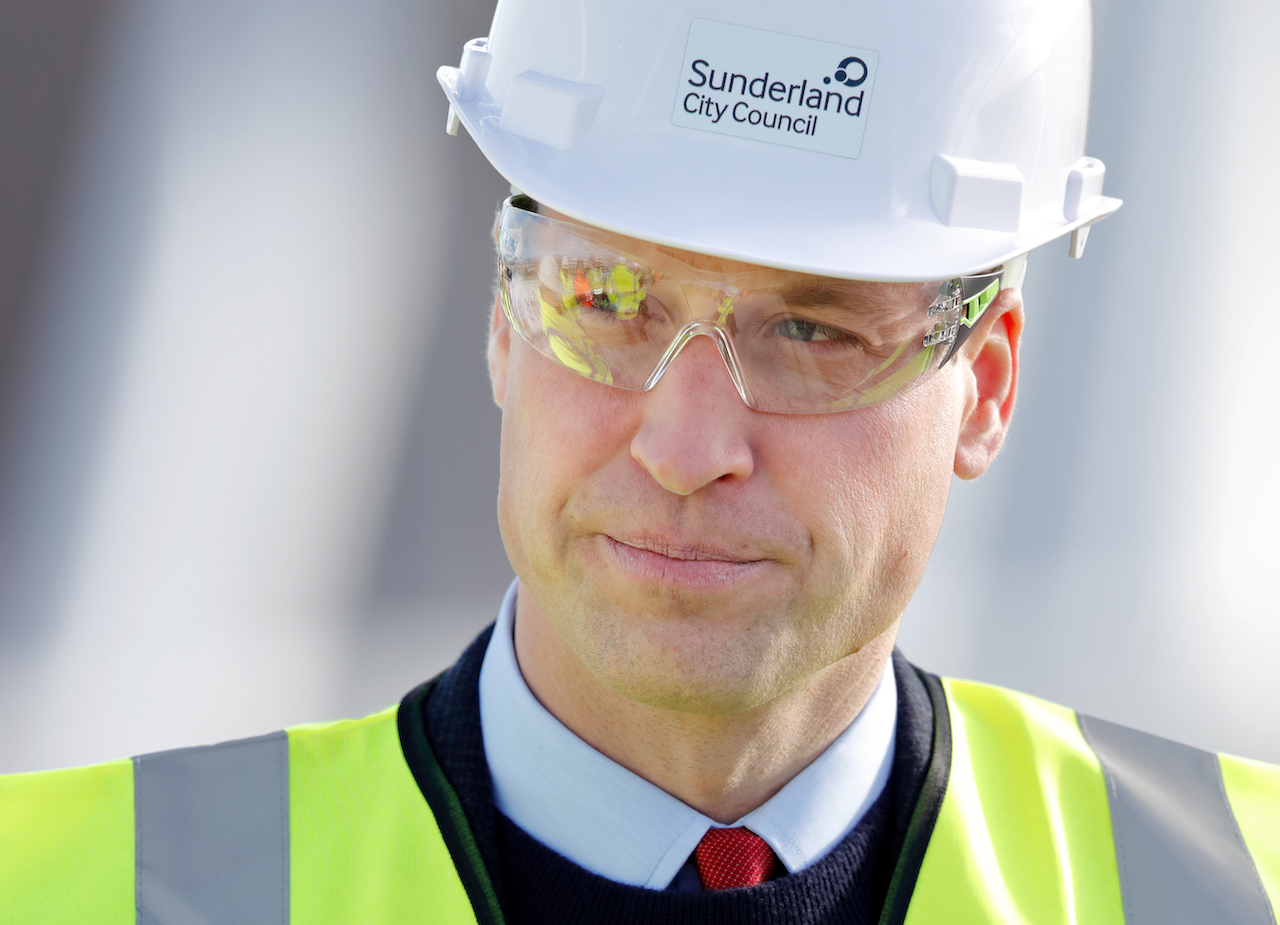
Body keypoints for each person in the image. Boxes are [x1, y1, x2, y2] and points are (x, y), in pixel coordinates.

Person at [4, 0, 1279, 922]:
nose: (684, 447)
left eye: (810, 331)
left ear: (984, 388)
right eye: (606, 300)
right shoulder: (63, 892)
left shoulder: (1234, 889)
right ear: (507, 320)